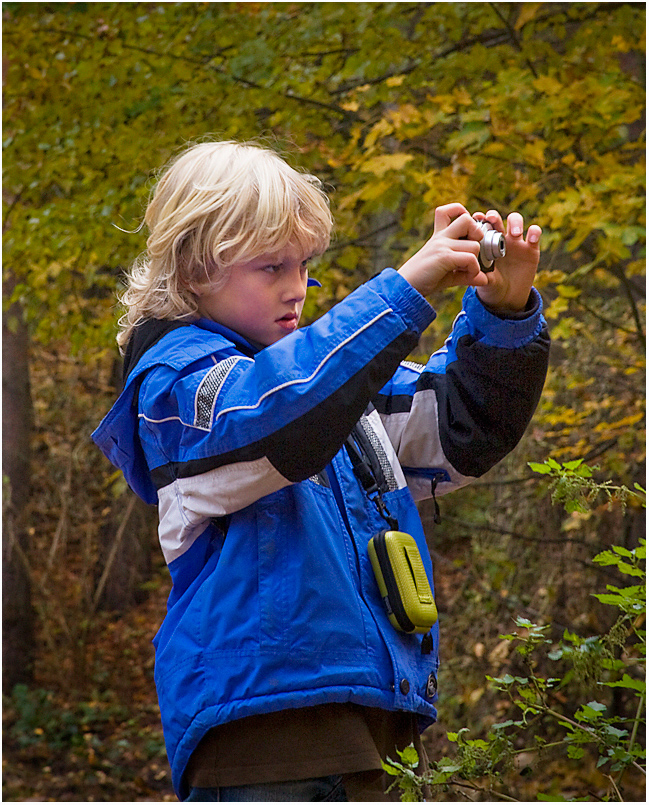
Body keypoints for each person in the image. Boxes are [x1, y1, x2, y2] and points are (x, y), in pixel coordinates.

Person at [92, 140, 550, 802]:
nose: (296, 286)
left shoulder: (325, 374)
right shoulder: (177, 385)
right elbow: (276, 418)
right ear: (194, 270)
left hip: (369, 722)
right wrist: (404, 287)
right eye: (270, 265)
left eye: (304, 263)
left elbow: (458, 430)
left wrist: (503, 313)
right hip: (263, 731)